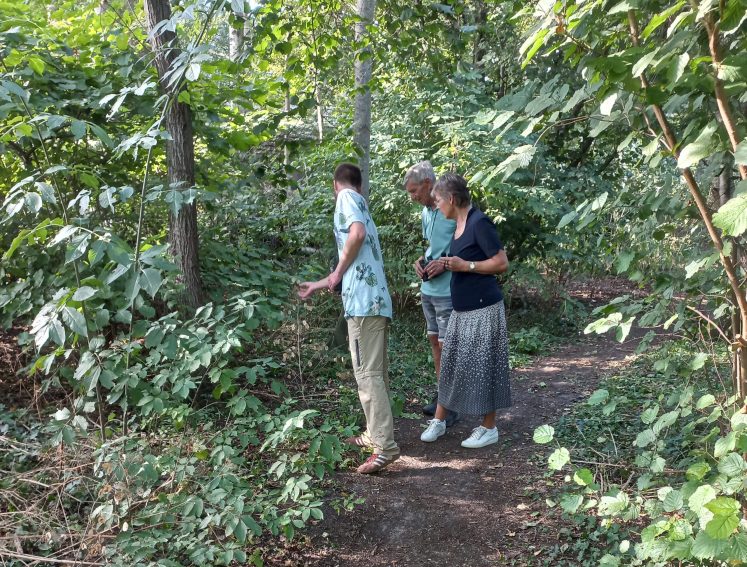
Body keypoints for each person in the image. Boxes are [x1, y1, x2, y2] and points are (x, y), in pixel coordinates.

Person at [298, 163, 400, 473]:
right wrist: (324, 282)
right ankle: (374, 434)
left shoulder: (346, 199)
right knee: (375, 373)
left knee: (367, 375)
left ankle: (385, 447)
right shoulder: (361, 204)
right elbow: (356, 253)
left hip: (363, 305)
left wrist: (338, 273)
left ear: (335, 184)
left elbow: (355, 234)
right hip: (372, 301)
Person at [419, 173, 511, 449]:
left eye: (438, 200)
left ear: (452, 199)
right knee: (449, 367)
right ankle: (440, 420)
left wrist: (466, 266)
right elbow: (459, 258)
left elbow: (501, 262)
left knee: (485, 367)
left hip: (484, 308)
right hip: (462, 310)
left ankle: (489, 427)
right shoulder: (458, 223)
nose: (435, 205)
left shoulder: (479, 223)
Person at [403, 161, 458, 426]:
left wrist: (445, 262)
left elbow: (466, 244)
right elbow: (432, 246)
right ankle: (442, 398)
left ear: (428, 184)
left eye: (414, 191)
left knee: (448, 348)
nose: (412, 197)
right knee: (435, 344)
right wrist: (422, 260)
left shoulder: (450, 205)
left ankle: (452, 405)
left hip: (449, 290)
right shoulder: (426, 213)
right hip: (429, 289)